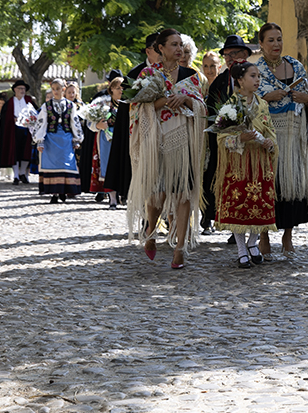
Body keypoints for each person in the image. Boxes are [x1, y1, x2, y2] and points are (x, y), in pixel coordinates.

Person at [128, 28, 207, 270]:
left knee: (183, 194)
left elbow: (202, 107)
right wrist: (163, 101)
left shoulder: (192, 76)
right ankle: (151, 230)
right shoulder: (148, 74)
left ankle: (180, 247)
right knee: (157, 196)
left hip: (183, 142)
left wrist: (187, 100)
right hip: (156, 142)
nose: (179, 49)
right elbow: (135, 108)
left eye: (181, 44)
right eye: (173, 44)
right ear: (160, 48)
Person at [256, 22, 308, 254]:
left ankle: (288, 236)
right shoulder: (256, 70)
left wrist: (307, 99)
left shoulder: (296, 66)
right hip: (268, 137)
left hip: (293, 135)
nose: (276, 44)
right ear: (261, 44)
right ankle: (263, 237)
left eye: (279, 39)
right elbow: (247, 101)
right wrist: (266, 97)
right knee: (268, 185)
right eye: (270, 40)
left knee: (291, 185)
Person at [213, 62, 277, 268]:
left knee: (258, 204)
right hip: (238, 163)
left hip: (260, 162)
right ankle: (241, 248)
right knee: (239, 204)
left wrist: (270, 143)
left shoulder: (263, 104)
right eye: (253, 76)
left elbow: (270, 130)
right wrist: (240, 138)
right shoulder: (230, 106)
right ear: (240, 80)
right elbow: (221, 139)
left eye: (258, 76)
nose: (257, 80)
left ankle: (252, 242)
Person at [203, 35, 253, 235]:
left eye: (235, 54)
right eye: (226, 55)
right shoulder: (220, 81)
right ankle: (229, 225)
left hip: (250, 141)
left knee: (248, 184)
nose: (230, 58)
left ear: (245, 55)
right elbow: (210, 112)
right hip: (225, 143)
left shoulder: (255, 75)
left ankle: (247, 228)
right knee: (227, 184)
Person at [103, 33, 161, 208]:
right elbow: (126, 110)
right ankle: (145, 217)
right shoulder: (135, 74)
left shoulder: (169, 71)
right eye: (159, 49)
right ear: (148, 50)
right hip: (139, 133)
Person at [32, 78, 84, 203]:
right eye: (53, 89)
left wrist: (77, 139)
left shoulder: (70, 105)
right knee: (52, 165)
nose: (55, 91)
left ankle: (63, 191)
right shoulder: (46, 106)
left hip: (66, 139)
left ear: (63, 89)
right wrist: (40, 140)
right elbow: (41, 123)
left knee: (65, 165)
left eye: (58, 89)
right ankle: (54, 193)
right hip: (51, 139)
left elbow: (74, 122)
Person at [86, 72, 123, 209]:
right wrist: (98, 125)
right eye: (118, 87)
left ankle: (123, 196)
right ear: (111, 89)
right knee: (108, 167)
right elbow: (89, 123)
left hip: (125, 140)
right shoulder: (103, 105)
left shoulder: (130, 105)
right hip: (107, 140)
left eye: (123, 87)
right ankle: (112, 198)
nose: (121, 90)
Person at [0, 80, 37, 184]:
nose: (22, 91)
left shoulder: (28, 100)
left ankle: (23, 173)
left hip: (27, 130)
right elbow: (5, 118)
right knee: (14, 152)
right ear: (15, 90)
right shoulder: (9, 102)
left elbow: (36, 113)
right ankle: (16, 175)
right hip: (13, 130)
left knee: (26, 151)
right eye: (20, 89)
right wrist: (12, 120)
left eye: (23, 89)